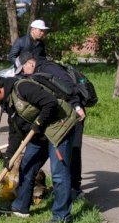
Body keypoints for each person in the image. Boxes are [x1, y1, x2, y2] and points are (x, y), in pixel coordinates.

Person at [0, 73, 78, 223]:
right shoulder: (7, 102)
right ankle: (21, 207)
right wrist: (9, 157)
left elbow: (50, 102)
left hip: (59, 128)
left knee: (58, 174)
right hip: (40, 134)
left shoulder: (23, 87)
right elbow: (15, 132)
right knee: (27, 166)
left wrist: (38, 124)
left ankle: (62, 216)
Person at [16, 52, 87, 200]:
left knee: (73, 148)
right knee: (66, 151)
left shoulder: (48, 67)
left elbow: (68, 86)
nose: (23, 73)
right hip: (62, 114)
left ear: (30, 63)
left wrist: (76, 106)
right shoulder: (37, 71)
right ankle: (66, 189)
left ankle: (75, 188)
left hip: (74, 111)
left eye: (23, 69)